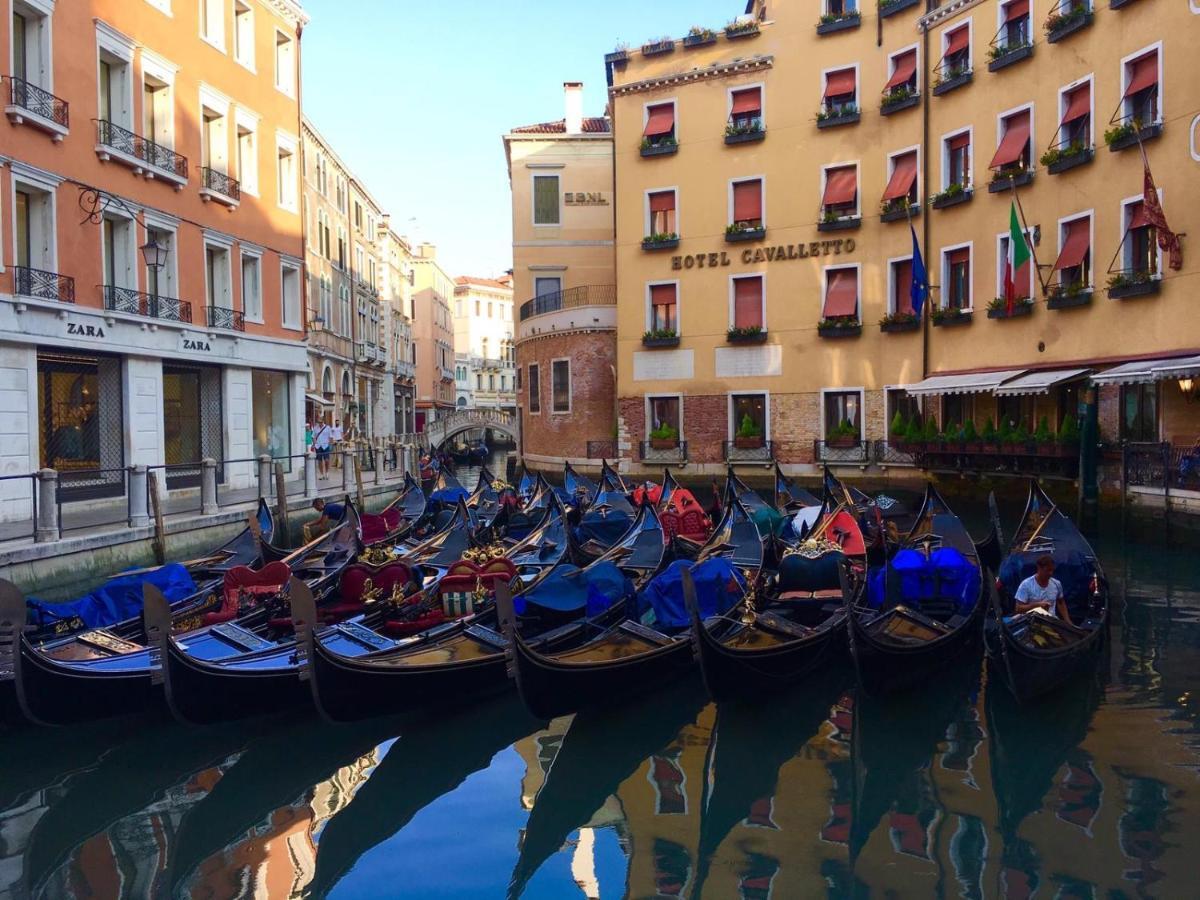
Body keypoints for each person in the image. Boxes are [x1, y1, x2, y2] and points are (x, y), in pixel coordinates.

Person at [1014, 555, 1072, 625]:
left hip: (1052, 621)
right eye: (1047, 570)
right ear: (1039, 568)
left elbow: (1061, 602)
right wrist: (1037, 605)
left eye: (1052, 570)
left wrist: (1068, 621)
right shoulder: (1026, 585)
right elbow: (1018, 608)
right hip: (1032, 623)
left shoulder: (1056, 583)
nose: (1050, 573)